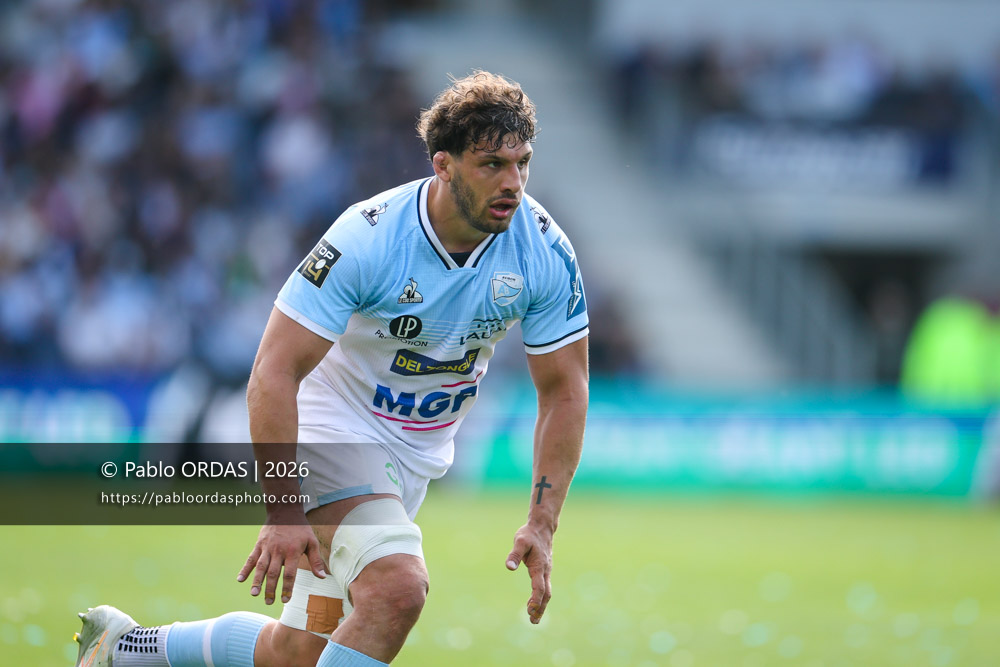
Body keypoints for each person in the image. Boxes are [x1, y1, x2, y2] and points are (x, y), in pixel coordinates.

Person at [75, 70, 590, 667]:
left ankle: (126, 650)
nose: (514, 184)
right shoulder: (368, 238)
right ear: (443, 166)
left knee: (298, 647)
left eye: (522, 163)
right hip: (331, 432)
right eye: (491, 165)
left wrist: (543, 522)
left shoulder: (543, 251)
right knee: (396, 590)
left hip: (411, 459)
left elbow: (565, 392)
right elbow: (274, 369)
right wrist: (283, 509)